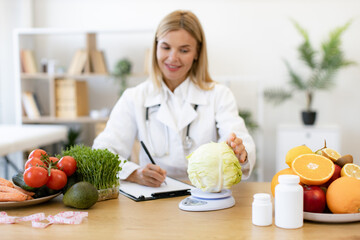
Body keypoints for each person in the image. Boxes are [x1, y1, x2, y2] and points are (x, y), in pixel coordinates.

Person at [93, 10, 256, 187]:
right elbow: (103, 150)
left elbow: (239, 138)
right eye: (165, 47)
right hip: (153, 197)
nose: (172, 58)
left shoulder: (219, 95)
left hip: (205, 194)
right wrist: (134, 173)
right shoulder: (134, 97)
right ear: (155, 47)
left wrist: (240, 151)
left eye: (184, 50)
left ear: (197, 53)